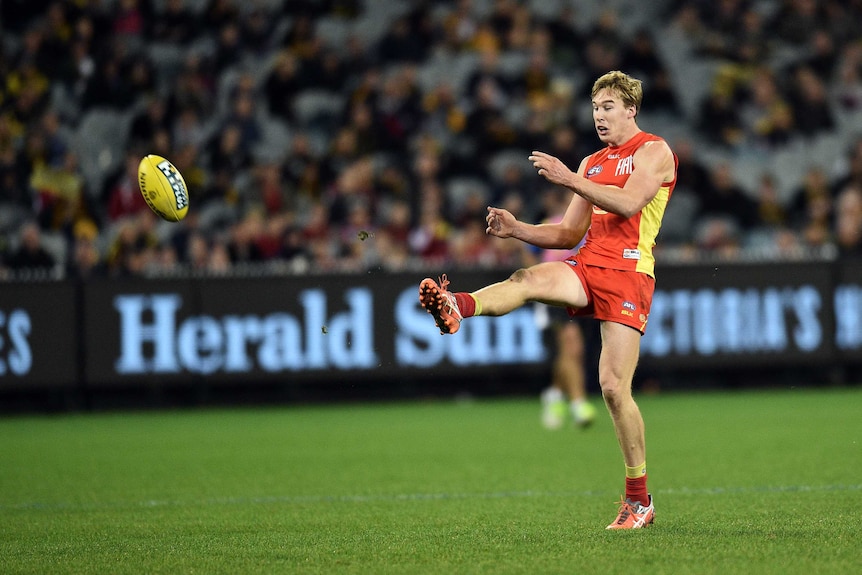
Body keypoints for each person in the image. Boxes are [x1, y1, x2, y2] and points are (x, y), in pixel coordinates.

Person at [418, 71, 677, 530]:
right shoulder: (592, 161)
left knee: (614, 389)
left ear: (631, 109)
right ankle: (457, 305)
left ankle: (639, 501)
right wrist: (518, 228)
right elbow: (568, 233)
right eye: (595, 107)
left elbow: (629, 204)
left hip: (630, 273)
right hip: (587, 263)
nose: (599, 115)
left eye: (609, 107)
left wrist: (568, 178)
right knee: (527, 277)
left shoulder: (654, 151)